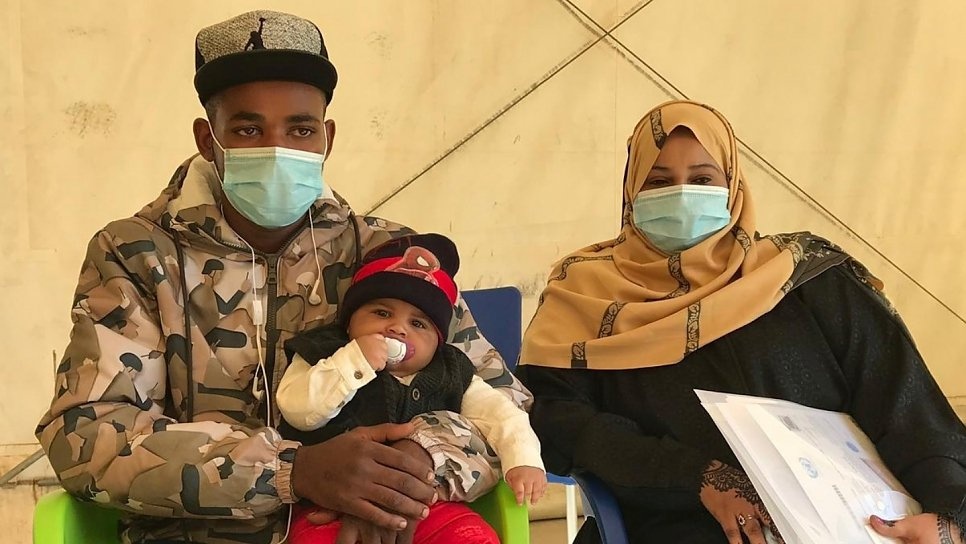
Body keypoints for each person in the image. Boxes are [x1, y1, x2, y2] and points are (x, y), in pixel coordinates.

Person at [35, 10, 530, 544]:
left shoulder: (389, 255)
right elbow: (85, 433)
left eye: (301, 129)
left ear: (327, 138)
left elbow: (501, 403)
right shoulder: (139, 254)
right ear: (208, 139)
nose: (277, 148)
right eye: (248, 129)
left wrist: (407, 466)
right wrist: (295, 471)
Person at [515, 100, 966, 544]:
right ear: (632, 190)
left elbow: (904, 403)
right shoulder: (584, 293)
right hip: (678, 521)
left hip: (853, 520)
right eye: (659, 181)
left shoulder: (807, 277)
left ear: (732, 185)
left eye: (702, 179)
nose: (682, 195)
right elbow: (559, 418)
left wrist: (948, 516)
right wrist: (697, 476)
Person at [276, 233, 547, 544]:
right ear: (349, 323)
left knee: (472, 537)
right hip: (330, 503)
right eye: (381, 313)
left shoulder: (451, 370)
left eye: (418, 324)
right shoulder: (323, 352)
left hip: (428, 505)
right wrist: (354, 361)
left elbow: (500, 415)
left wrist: (523, 459)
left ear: (437, 344)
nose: (397, 328)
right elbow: (297, 409)